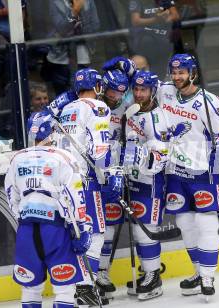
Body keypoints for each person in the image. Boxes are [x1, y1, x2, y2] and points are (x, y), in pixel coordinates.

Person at [159, 53, 219, 298]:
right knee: (185, 224)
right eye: (174, 72)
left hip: (202, 171)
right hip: (174, 172)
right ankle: (197, 271)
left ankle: (207, 277)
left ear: (193, 73)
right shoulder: (165, 92)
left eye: (182, 72)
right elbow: (141, 90)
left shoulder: (208, 101)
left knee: (207, 224)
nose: (177, 76)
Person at [4, 114, 93, 308]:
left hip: (27, 230)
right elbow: (74, 199)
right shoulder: (64, 157)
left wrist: (24, 218)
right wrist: (81, 229)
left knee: (30, 288)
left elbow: (11, 195)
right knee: (65, 288)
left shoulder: (17, 158)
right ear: (53, 133)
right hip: (56, 231)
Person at [59, 68, 123, 306]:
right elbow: (100, 149)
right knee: (96, 231)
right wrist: (110, 174)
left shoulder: (67, 109)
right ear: (97, 87)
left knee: (76, 233)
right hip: (84, 180)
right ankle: (86, 287)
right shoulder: (98, 107)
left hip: (63, 180)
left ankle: (77, 288)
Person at [123, 70, 170, 300]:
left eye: (144, 90)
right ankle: (147, 273)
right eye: (136, 89)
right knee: (136, 230)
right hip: (133, 180)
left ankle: (154, 277)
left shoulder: (157, 118)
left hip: (150, 182)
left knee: (145, 233)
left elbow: (158, 159)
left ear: (153, 91)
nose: (139, 94)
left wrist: (135, 156)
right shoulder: (132, 112)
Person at [95, 68, 130, 298]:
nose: (115, 97)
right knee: (92, 228)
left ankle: (102, 273)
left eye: (120, 93)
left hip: (113, 173)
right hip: (90, 173)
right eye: (112, 92)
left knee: (109, 228)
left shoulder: (126, 109)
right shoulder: (90, 107)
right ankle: (89, 278)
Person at [40, 0, 100, 96]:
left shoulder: (88, 1)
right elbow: (61, 28)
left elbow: (95, 26)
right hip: (60, 58)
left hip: (83, 56)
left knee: (82, 93)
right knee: (62, 96)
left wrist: (80, 31)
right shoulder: (55, 2)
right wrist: (74, 11)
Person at [129, 0, 180, 78]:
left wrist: (165, 18)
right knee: (144, 71)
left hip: (163, 40)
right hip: (145, 40)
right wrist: (155, 20)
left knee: (161, 72)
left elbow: (175, 15)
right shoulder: (137, 1)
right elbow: (135, 21)